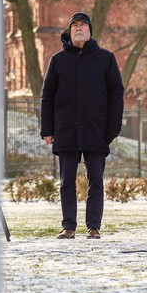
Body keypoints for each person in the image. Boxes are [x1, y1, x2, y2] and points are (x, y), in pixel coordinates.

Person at [40, 12, 124, 240]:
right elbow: (47, 96)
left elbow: (116, 94)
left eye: (83, 25)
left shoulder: (105, 58)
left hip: (96, 129)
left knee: (95, 180)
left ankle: (93, 226)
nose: (79, 29)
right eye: (75, 25)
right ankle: (68, 226)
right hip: (66, 130)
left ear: (90, 31)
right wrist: (47, 130)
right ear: (69, 31)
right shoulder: (58, 60)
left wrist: (112, 128)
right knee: (66, 181)